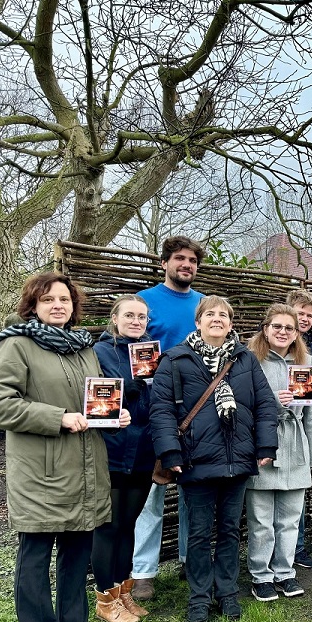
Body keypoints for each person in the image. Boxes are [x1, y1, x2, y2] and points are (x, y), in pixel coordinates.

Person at [0, 272, 130, 622]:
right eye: (48, 300)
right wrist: (57, 417)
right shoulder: (15, 346)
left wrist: (113, 415)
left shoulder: (83, 348)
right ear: (33, 305)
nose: (58, 305)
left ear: (74, 306)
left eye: (64, 299)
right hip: (41, 471)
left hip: (85, 466)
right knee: (36, 555)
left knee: (78, 553)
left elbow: (94, 402)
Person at [149, 295, 279, 622]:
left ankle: (227, 593)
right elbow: (162, 411)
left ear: (231, 324)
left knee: (230, 532)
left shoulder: (244, 360)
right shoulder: (175, 360)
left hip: (236, 459)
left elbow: (265, 405)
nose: (217, 319)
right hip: (196, 461)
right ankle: (199, 598)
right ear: (198, 322)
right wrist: (171, 453)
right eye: (210, 314)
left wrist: (265, 446)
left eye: (224, 315)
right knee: (198, 533)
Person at [131, 235, 206, 600]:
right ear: (164, 263)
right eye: (179, 258)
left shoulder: (204, 305)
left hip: (197, 414)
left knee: (195, 492)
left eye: (192, 260)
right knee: (151, 495)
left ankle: (191, 560)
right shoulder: (145, 302)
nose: (186, 265)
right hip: (153, 411)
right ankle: (143, 571)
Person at [245, 304, 312, 601]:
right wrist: (272, 403)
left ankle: (285, 572)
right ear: (265, 329)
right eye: (277, 326)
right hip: (263, 447)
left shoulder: (304, 363)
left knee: (290, 518)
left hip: (296, 447)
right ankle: (261, 575)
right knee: (261, 519)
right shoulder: (251, 361)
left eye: (289, 328)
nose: (282, 332)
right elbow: (241, 405)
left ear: (296, 333)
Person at [91, 294, 157, 622]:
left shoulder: (150, 354)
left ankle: (122, 591)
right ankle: (105, 597)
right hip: (112, 451)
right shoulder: (99, 352)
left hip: (144, 451)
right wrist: (128, 391)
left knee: (129, 524)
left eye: (142, 317)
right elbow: (96, 402)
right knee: (109, 526)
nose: (136, 321)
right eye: (129, 315)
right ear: (115, 318)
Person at [285, 288, 312, 570]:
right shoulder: (268, 348)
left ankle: (297, 549)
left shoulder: (311, 351)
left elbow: (311, 401)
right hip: (274, 430)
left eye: (310, 315)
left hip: (299, 428)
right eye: (301, 313)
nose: (306, 319)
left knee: (298, 494)